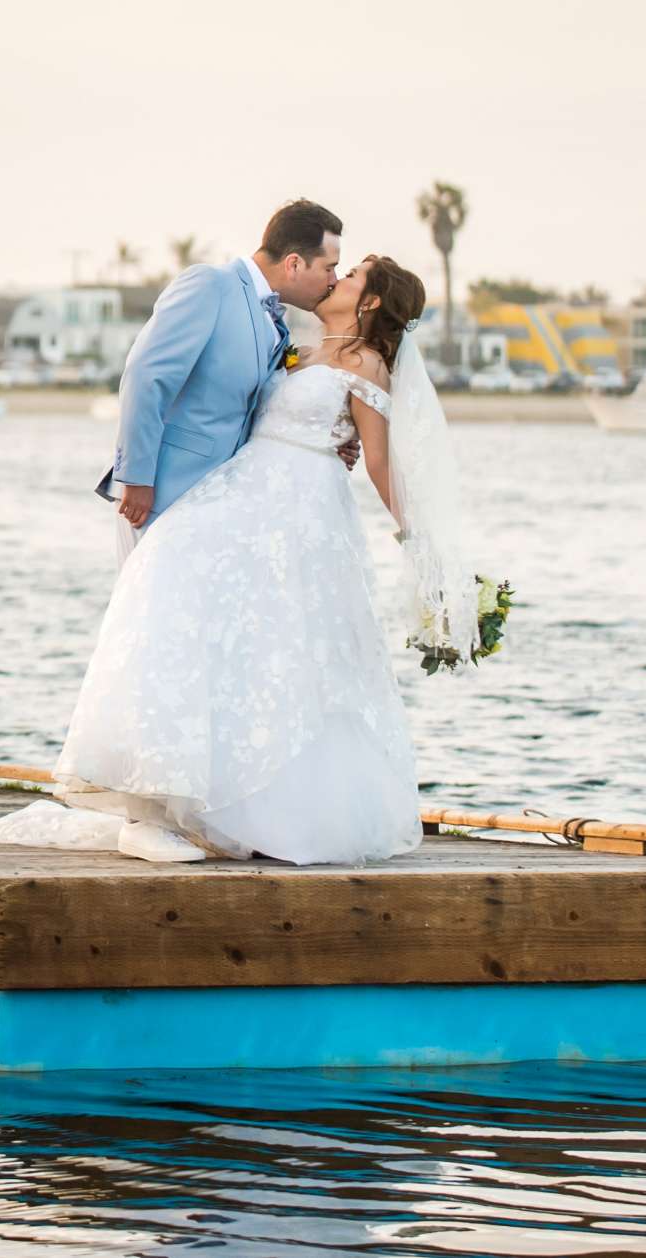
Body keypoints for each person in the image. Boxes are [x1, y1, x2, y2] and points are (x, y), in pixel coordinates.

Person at [53, 253, 463, 866]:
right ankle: (174, 793)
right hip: (245, 493)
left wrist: (421, 542)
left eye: (350, 275)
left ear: (371, 302)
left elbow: (378, 461)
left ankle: (261, 808)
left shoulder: (365, 362)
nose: (337, 278)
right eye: (336, 266)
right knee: (195, 605)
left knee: (289, 649)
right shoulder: (300, 348)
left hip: (303, 512)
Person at [95, 201, 342, 556]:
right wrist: (136, 478)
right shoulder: (210, 285)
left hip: (220, 506)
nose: (333, 280)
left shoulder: (278, 325)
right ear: (294, 263)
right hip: (159, 497)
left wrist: (329, 436)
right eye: (329, 267)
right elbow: (146, 376)